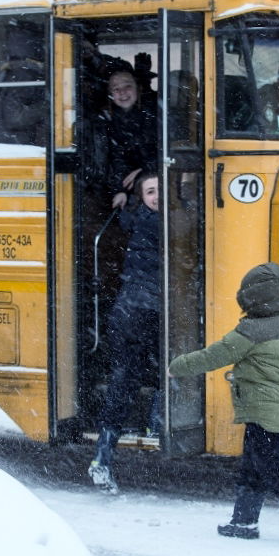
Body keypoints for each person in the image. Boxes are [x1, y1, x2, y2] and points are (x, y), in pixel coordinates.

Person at [167, 262, 279, 548]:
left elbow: (214, 356)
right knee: (254, 466)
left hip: (262, 414)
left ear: (249, 296)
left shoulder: (250, 330)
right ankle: (244, 521)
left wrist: (178, 366)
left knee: (269, 467)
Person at [88, 172, 162, 495]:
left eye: (161, 190)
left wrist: (123, 200)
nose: (157, 196)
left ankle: (103, 455)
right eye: (150, 191)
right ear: (142, 197)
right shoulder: (158, 224)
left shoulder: (133, 219)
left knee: (124, 379)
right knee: (163, 370)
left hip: (128, 310)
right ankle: (156, 424)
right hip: (144, 312)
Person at [95, 62, 158, 210]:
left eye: (127, 86)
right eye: (116, 89)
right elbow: (116, 158)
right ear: (110, 95)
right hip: (127, 189)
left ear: (138, 88)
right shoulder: (107, 121)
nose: (122, 92)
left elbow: (170, 152)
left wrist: (146, 170)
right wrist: (120, 190)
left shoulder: (156, 114)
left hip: (156, 185)